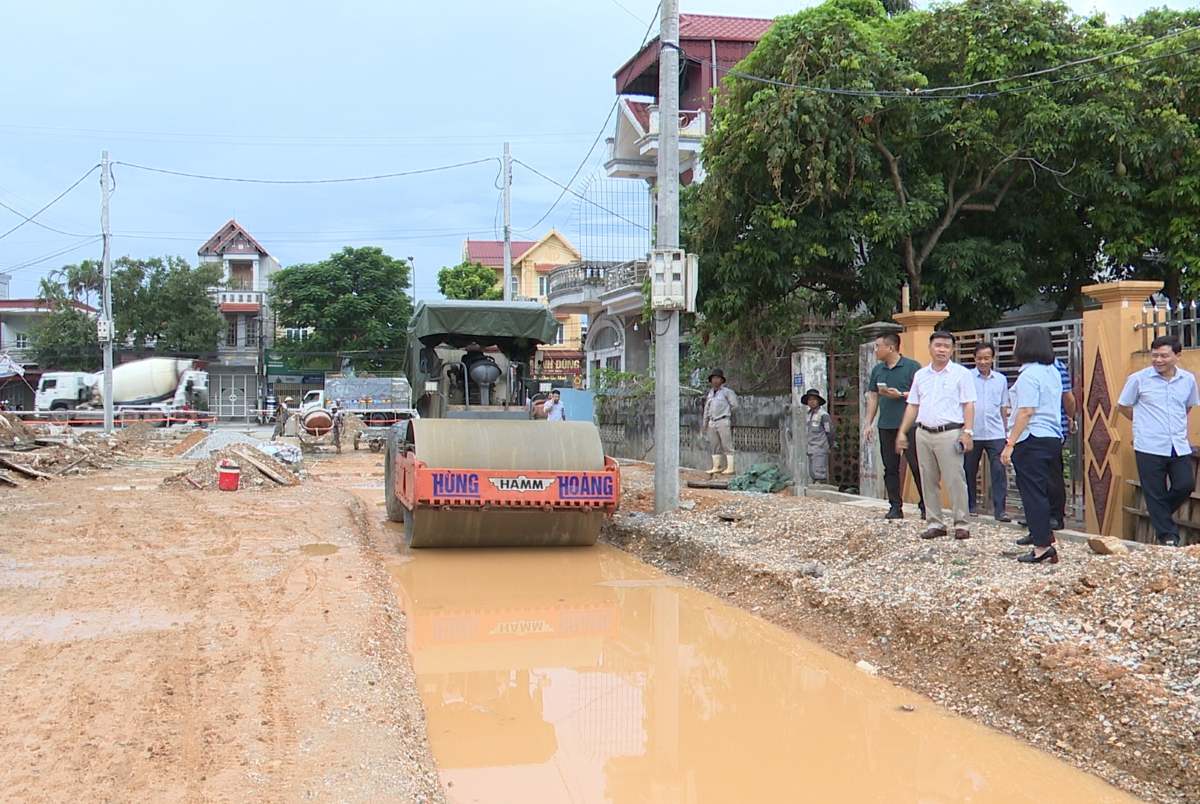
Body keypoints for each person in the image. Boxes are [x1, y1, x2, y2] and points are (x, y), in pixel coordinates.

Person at [1118, 334, 1198, 547]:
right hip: (1148, 445)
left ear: (1177, 356)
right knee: (1154, 491)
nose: (1158, 360)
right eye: (1154, 356)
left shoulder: (1188, 380)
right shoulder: (1138, 379)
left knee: (1185, 485)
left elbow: (1187, 406)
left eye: (1164, 356)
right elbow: (1123, 406)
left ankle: (1158, 514)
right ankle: (1168, 536)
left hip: (1178, 444)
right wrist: (1143, 423)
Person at [896, 331, 977, 540]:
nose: (942, 349)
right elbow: (913, 405)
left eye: (946, 346)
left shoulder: (961, 374)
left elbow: (968, 404)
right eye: (938, 345)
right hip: (923, 432)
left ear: (952, 350)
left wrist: (968, 432)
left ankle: (962, 523)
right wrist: (903, 431)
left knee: (955, 479)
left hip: (949, 432)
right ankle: (935, 522)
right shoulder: (921, 375)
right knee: (927, 479)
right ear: (930, 347)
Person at [1001, 327, 1064, 563]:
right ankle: (1043, 534)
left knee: (1033, 493)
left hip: (1031, 438)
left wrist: (1010, 443)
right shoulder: (1053, 371)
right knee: (1045, 490)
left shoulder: (1028, 376)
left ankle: (1041, 547)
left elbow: (1026, 411)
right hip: (1051, 437)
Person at [864, 332, 926, 520]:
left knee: (916, 465)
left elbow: (922, 394)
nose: (875, 350)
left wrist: (900, 394)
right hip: (886, 425)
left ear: (890, 347)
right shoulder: (878, 370)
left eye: (877, 346)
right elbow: (873, 396)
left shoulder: (912, 367)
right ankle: (895, 506)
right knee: (890, 467)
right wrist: (869, 423)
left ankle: (925, 505)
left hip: (909, 426)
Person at [965, 342, 1012, 522]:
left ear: (993, 358)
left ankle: (1000, 510)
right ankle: (970, 505)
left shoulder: (1000, 379)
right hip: (972, 432)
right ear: (974, 359)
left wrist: (1006, 431)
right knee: (969, 469)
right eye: (979, 358)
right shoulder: (967, 377)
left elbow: (1004, 406)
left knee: (999, 471)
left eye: (986, 358)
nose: (983, 362)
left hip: (995, 433)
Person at [702, 369, 739, 476]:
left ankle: (730, 467)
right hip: (712, 421)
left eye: (717, 378)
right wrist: (704, 424)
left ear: (722, 380)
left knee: (727, 445)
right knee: (714, 445)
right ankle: (716, 466)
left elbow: (735, 406)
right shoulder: (710, 393)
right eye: (713, 378)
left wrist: (726, 413)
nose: (715, 380)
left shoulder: (727, 392)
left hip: (723, 420)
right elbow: (706, 409)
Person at [801, 389, 834, 483]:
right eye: (809, 399)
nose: (811, 401)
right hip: (810, 448)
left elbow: (829, 432)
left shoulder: (823, 415)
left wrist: (829, 445)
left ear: (818, 401)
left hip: (820, 448)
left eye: (814, 399)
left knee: (820, 473)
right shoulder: (808, 415)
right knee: (812, 473)